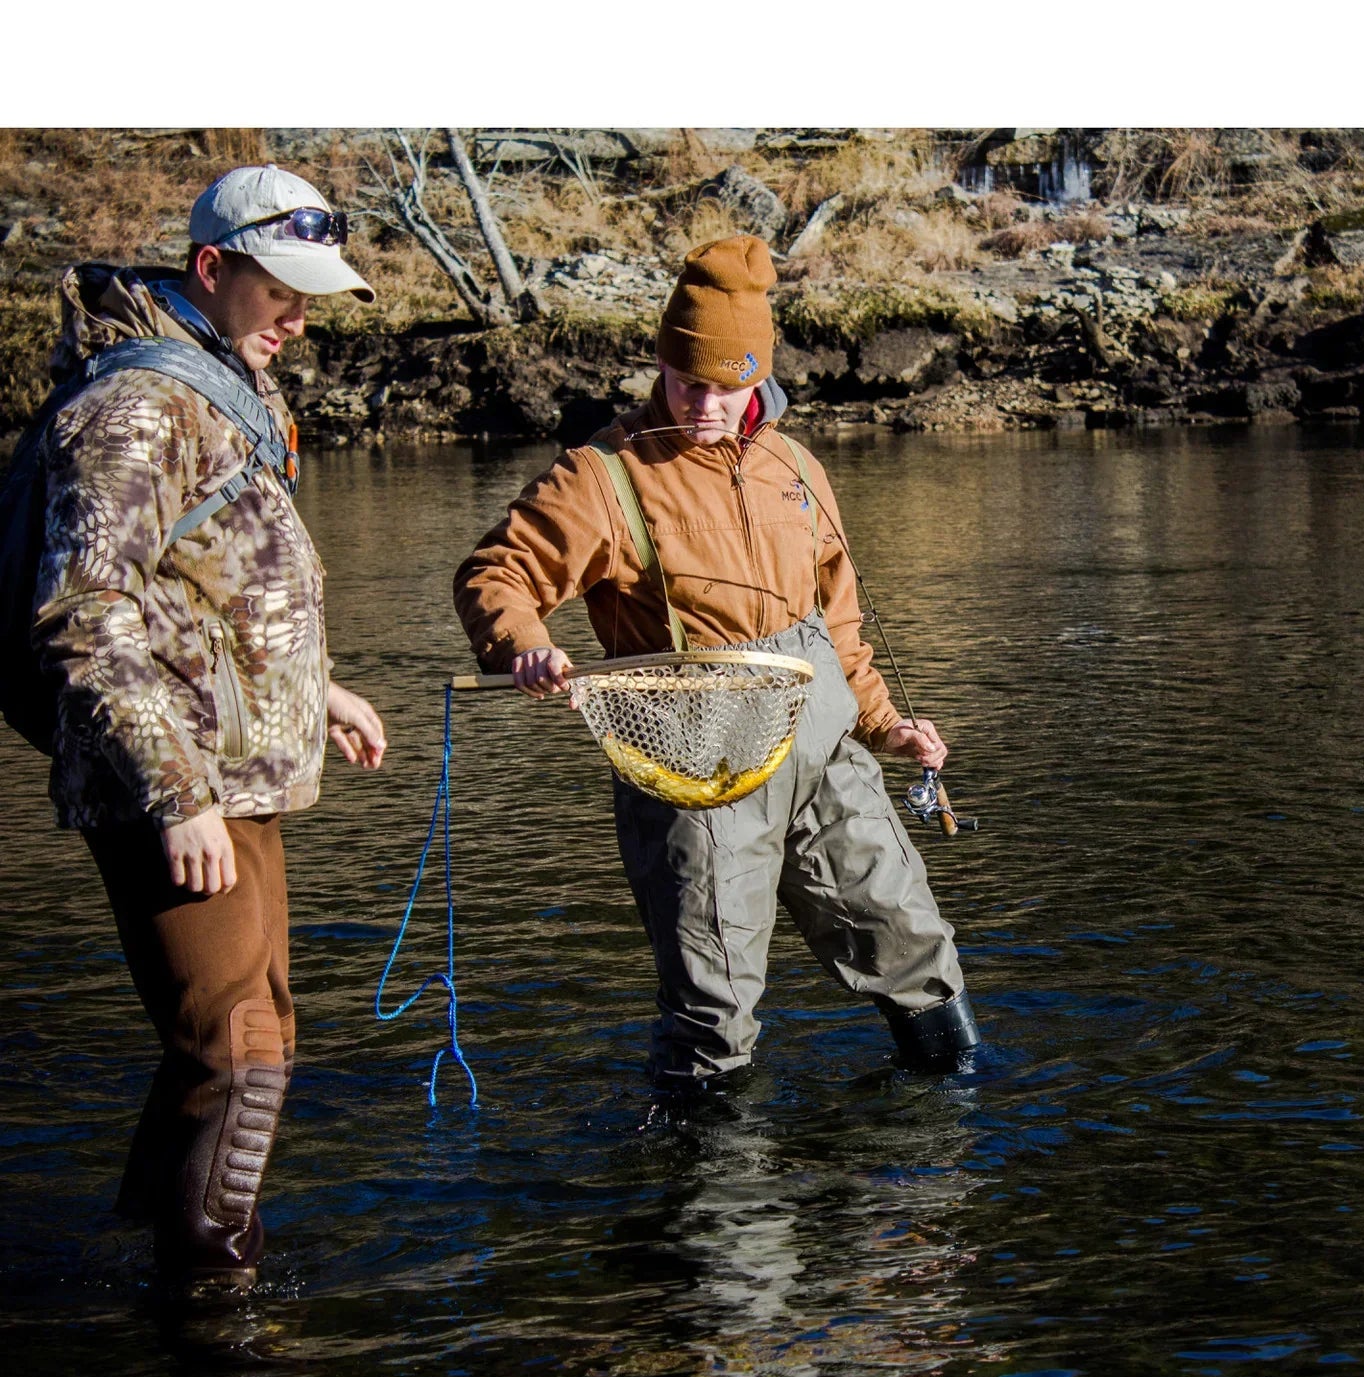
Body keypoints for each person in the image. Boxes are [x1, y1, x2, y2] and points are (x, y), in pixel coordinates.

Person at [453, 233, 978, 1089]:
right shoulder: (601, 475)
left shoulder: (795, 467)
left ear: (757, 379)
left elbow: (837, 627)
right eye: (686, 382)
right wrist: (526, 644)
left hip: (826, 757)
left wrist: (887, 725)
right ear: (660, 364)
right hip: (696, 773)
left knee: (912, 942)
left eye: (727, 388)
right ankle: (711, 1195)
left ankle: (949, 1143)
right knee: (714, 1002)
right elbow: (494, 574)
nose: (703, 405)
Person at [28, 162, 389, 1291]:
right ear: (211, 269)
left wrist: (314, 689)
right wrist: (175, 792)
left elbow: (215, 590)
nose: (299, 315)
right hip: (172, 788)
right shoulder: (134, 407)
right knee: (241, 1054)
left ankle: (130, 1253)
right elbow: (82, 613)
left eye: (309, 292)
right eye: (280, 288)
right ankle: (216, 1305)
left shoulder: (219, 386)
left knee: (251, 1028)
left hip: (236, 778)